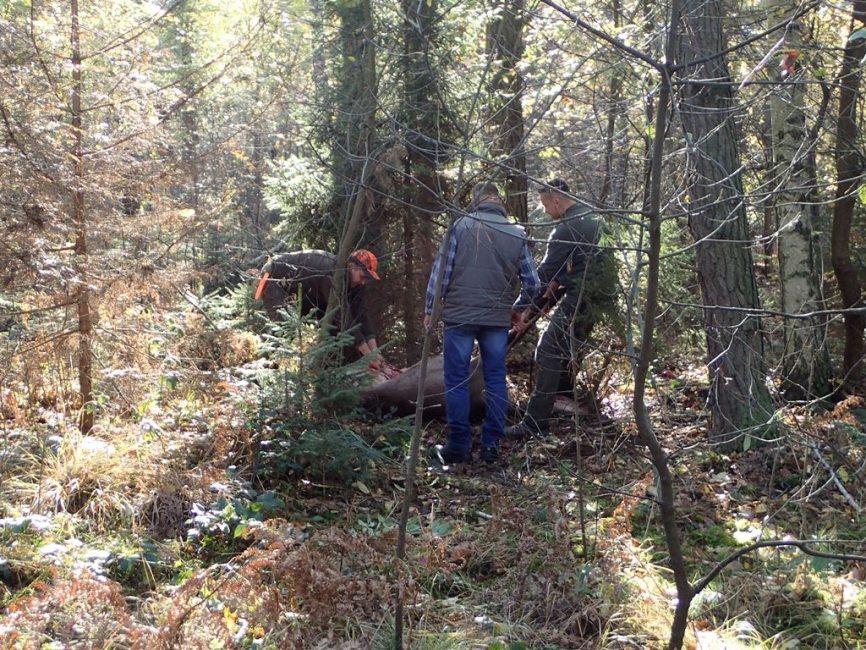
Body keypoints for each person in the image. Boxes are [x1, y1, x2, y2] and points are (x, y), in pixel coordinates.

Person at [424, 181, 540, 464]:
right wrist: (518, 308)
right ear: (498, 200)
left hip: (460, 316)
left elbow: (442, 274)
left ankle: (459, 446)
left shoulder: (460, 226)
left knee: (456, 378)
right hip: (496, 319)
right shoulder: (517, 233)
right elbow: (533, 283)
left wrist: (430, 308)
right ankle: (490, 446)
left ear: (476, 200)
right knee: (495, 377)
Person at [505, 179, 616, 438]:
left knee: (548, 349)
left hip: (583, 296)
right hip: (599, 296)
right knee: (566, 347)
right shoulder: (593, 217)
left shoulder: (566, 229)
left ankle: (535, 423)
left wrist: (519, 307)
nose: (545, 211)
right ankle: (563, 398)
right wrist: (554, 290)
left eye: (546, 205)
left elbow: (543, 275)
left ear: (556, 199)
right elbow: (582, 264)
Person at [254, 249, 385, 367]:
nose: (363, 282)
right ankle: (262, 366)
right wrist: (368, 355)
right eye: (363, 276)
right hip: (274, 277)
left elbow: (361, 315)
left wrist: (374, 351)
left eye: (367, 278)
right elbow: (343, 316)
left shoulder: (356, 283)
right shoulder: (333, 275)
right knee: (285, 327)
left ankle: (326, 371)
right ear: (351, 266)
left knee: (331, 327)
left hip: (306, 292)